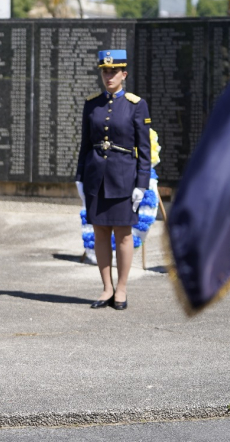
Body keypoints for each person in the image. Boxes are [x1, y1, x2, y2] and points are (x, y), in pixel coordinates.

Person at [75, 49, 151, 310]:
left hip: (123, 178)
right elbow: (85, 144)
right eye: (105, 71)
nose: (109, 76)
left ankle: (121, 289)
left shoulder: (136, 104)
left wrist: (142, 184)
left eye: (114, 71)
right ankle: (106, 287)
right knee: (100, 232)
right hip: (96, 177)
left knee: (123, 235)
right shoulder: (92, 103)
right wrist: (79, 178)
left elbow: (144, 149)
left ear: (124, 74)